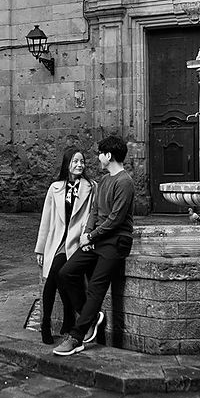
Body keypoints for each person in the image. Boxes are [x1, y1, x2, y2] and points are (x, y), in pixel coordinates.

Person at [53, 135, 135, 356]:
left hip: (117, 241)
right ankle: (90, 315)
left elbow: (116, 219)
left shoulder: (124, 182)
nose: (98, 158)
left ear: (109, 155)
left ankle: (77, 337)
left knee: (97, 286)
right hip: (98, 239)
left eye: (100, 154)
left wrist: (92, 236)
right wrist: (87, 234)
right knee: (66, 273)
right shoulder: (105, 180)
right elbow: (95, 211)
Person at [34, 148, 96, 344]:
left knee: (59, 274)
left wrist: (87, 237)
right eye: (75, 161)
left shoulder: (91, 187)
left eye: (82, 161)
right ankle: (46, 322)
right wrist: (40, 248)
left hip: (76, 241)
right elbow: (46, 219)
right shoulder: (55, 188)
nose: (79, 165)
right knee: (53, 277)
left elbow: (92, 216)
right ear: (67, 164)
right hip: (57, 241)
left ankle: (69, 319)